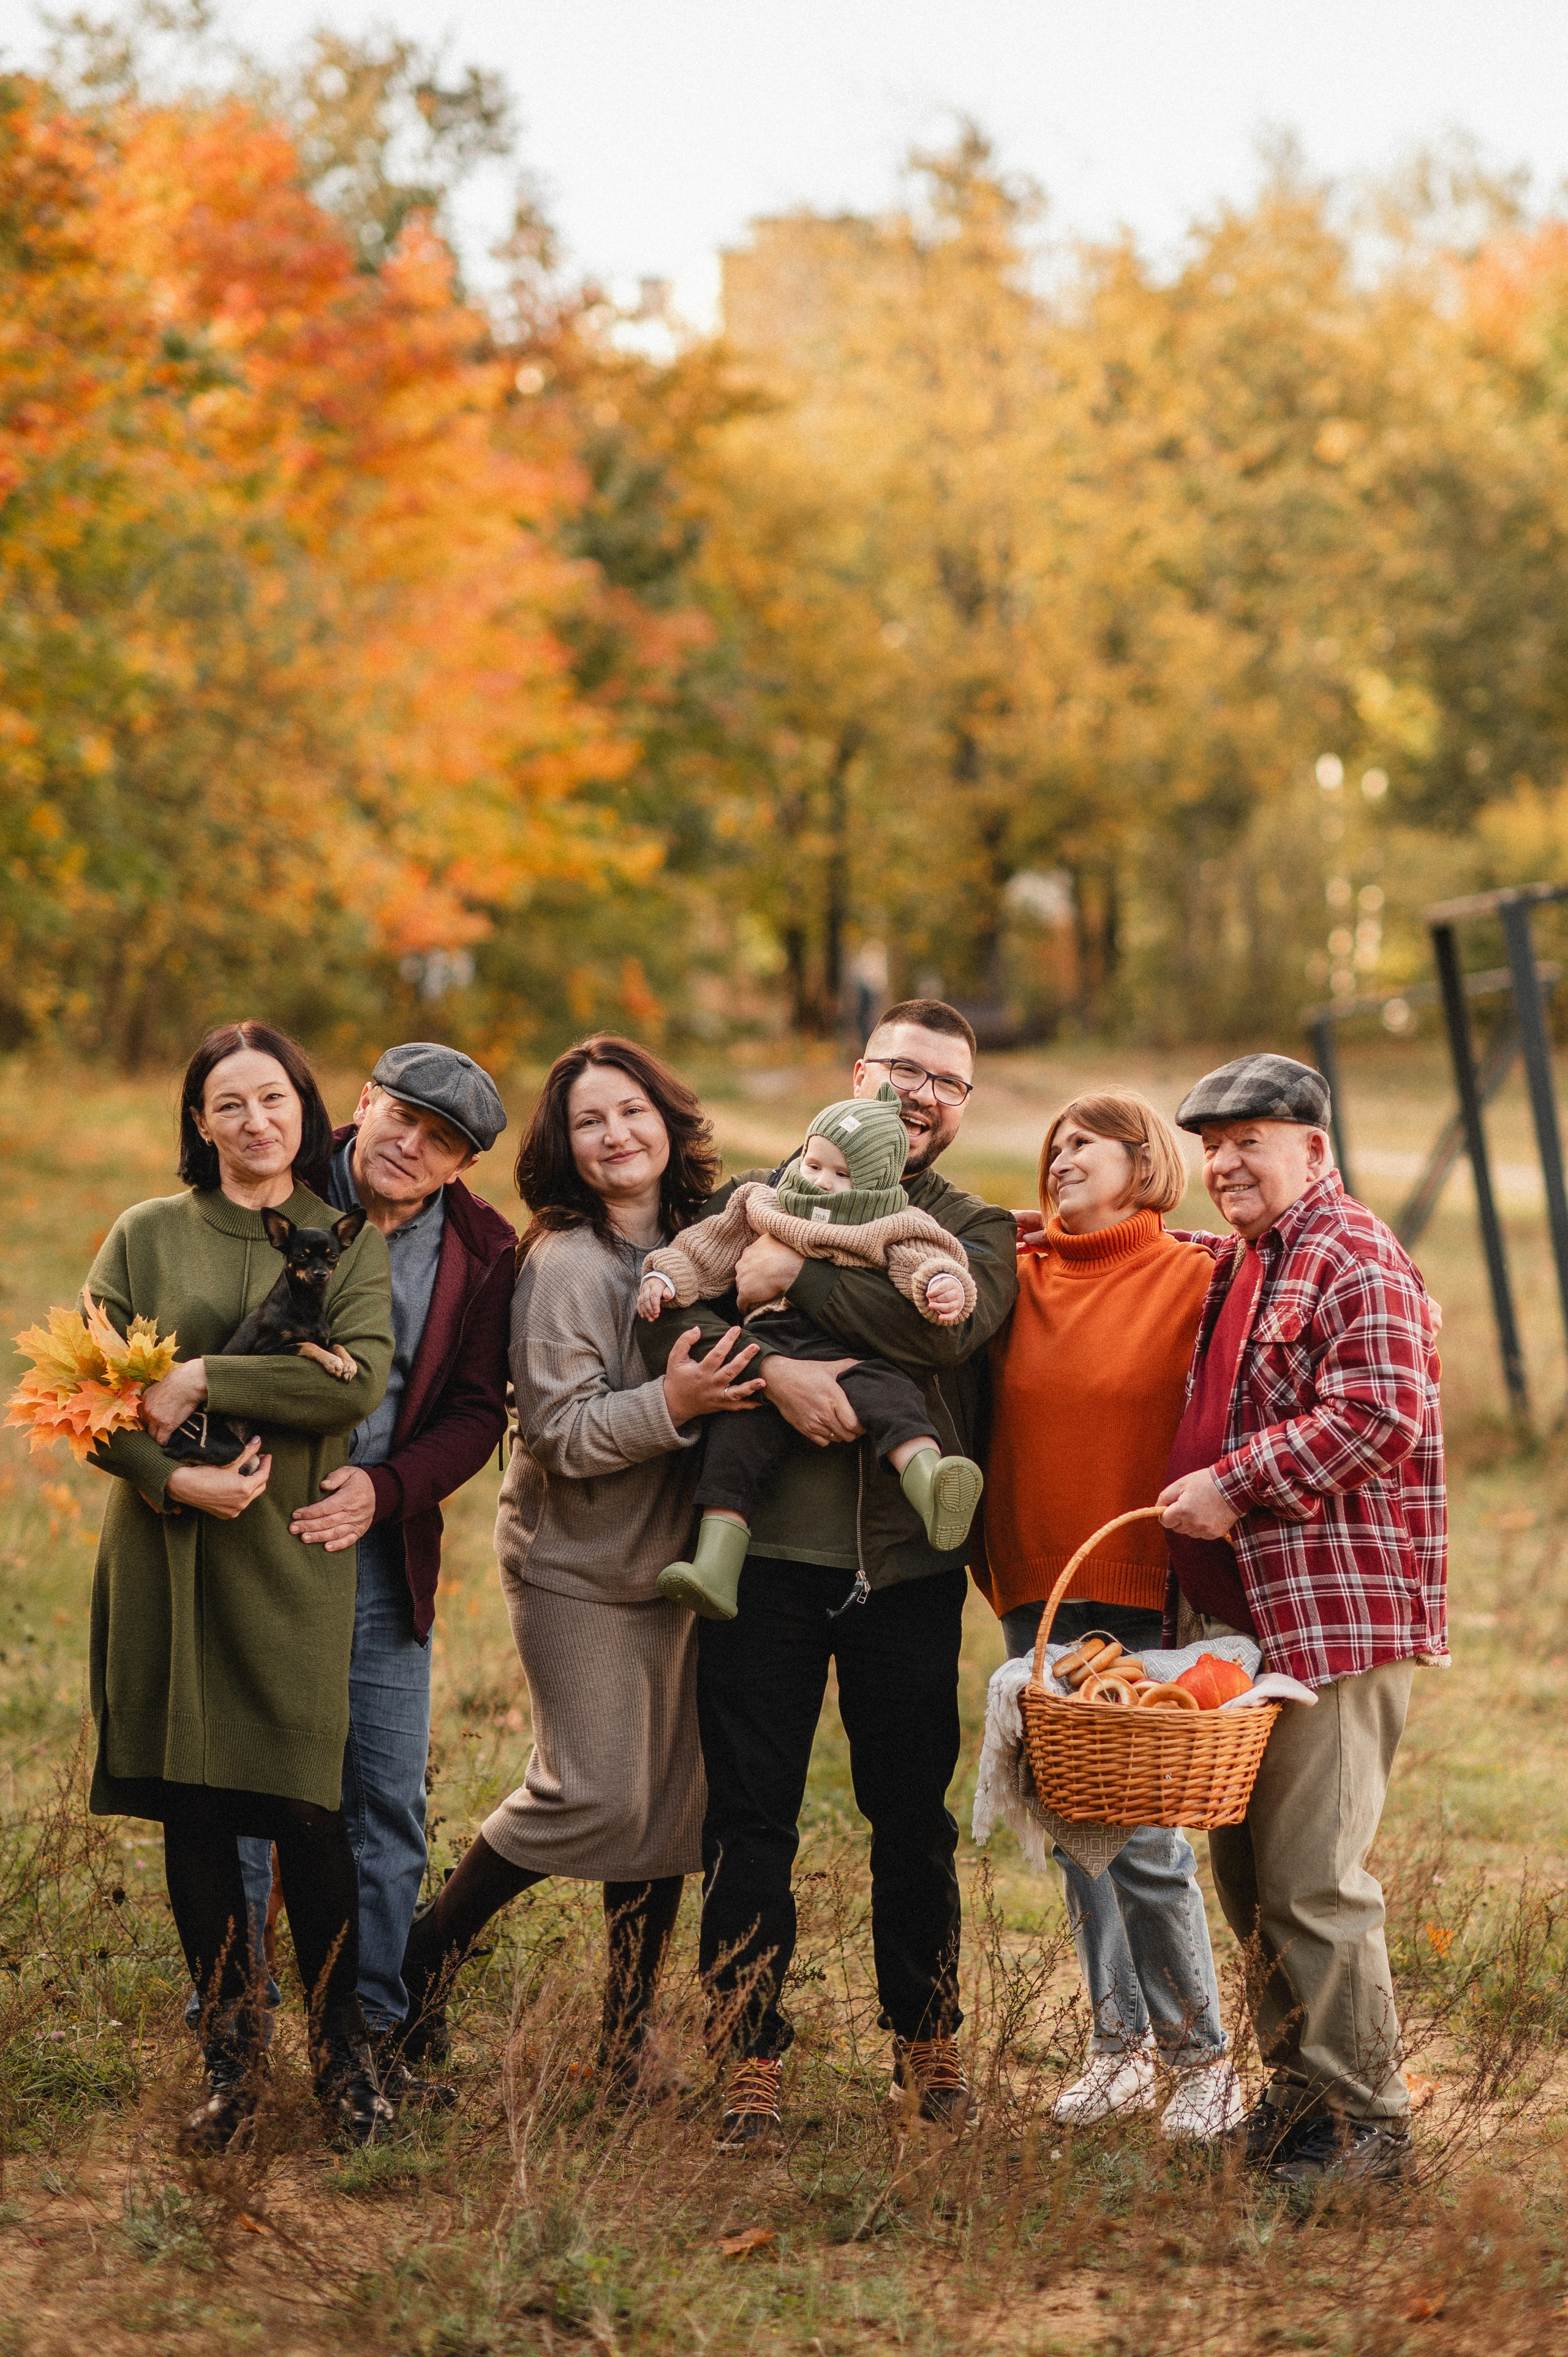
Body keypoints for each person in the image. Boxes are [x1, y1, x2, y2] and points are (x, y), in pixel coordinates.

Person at [640, 999, 1019, 2145]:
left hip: (904, 1569)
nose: (922, 1092)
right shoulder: (766, 1188)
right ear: (860, 1071)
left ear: (963, 1106)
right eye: (904, 1067)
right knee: (751, 1815)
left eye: (947, 1081)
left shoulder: (973, 1226)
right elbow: (678, 1322)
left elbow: (943, 1337)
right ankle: (748, 2043)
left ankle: (928, 2031)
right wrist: (773, 1368)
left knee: (909, 1812)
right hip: (761, 1565)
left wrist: (786, 1284)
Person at [398, 1036, 764, 2092]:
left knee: (666, 1807)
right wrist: (677, 1404)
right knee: (595, 1793)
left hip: (685, 1566)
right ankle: (424, 1958)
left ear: (668, 1118)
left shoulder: (711, 1238)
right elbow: (558, 1433)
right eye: (590, 1121)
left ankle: (624, 2036)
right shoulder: (563, 1261)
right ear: (564, 1145)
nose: (617, 1135)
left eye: (632, 1111)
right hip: (578, 1565)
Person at [85, 1021, 395, 2150]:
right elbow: (93, 1401)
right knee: (196, 1807)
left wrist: (209, 1374)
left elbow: (350, 1387)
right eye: (231, 1103)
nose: (256, 1120)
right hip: (166, 1553)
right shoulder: (144, 1236)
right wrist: (176, 1484)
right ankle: (232, 2064)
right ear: (199, 1122)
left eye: (276, 1099)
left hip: (287, 1556)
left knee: (305, 1807)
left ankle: (346, 2062)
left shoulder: (339, 1236)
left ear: (307, 1115)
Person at [1156, 1053, 1447, 2189]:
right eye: (1213, 1145)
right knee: (1250, 1875)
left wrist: (1235, 1484)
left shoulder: (1352, 1249)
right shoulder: (1247, 1258)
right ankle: (1301, 2101)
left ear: (1313, 1149)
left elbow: (1380, 1411)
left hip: (1334, 1616)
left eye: (1253, 1139)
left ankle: (1371, 2128)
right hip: (1245, 1626)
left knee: (1317, 1877)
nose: (1227, 1162)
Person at [974, 1090, 1241, 2141]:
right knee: (1078, 1819)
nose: (1062, 1155)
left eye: (1085, 1140)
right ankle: (1117, 2046)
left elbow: (1312, 1286)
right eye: (1054, 1144)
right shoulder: (1020, 1270)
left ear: (1144, 1161)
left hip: (1138, 1575)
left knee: (1142, 1832)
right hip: (1033, 1580)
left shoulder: (1197, 1271)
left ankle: (1201, 2055)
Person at [274, 1043, 514, 2100]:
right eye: (403, 1119)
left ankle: (367, 2026)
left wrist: (389, 1489)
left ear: (462, 1164)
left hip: (380, 1538)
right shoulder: (270, 1186)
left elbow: (474, 1413)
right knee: (245, 1783)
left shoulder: (482, 1247)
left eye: (444, 1142)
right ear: (364, 1103)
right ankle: (231, 2023)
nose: (413, 1147)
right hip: (252, 1527)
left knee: (385, 1791)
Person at [638, 1082, 983, 1619]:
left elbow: (928, 1259)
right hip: (771, 1342)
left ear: (876, 1181)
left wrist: (945, 1285)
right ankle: (715, 1567)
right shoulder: (762, 1201)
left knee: (895, 1399)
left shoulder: (893, 1220)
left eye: (842, 1175)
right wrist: (665, 1276)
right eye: (815, 1164)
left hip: (854, 1354)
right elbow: (704, 1249)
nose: (822, 1182)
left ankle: (931, 1483)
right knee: (734, 1440)